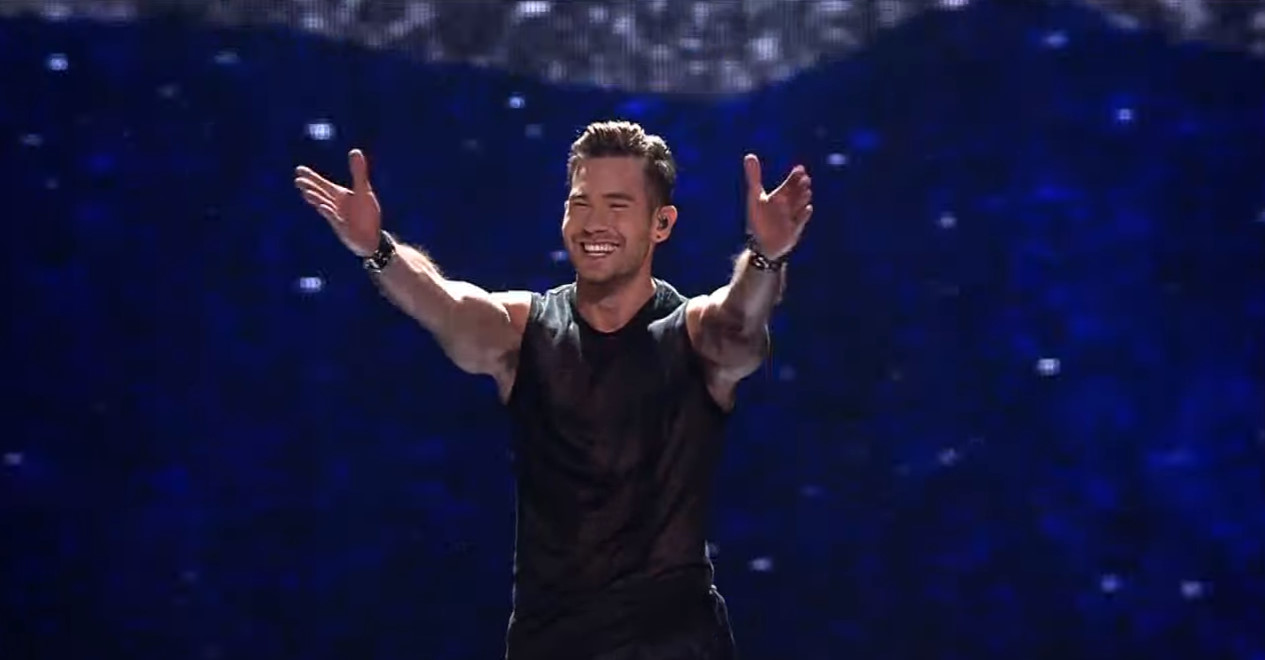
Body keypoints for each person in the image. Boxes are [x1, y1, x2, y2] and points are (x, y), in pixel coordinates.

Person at [293, 121, 813, 660]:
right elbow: (446, 307)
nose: (594, 223)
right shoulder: (527, 330)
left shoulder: (694, 332)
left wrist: (765, 257)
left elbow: (739, 326)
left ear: (661, 223)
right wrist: (377, 249)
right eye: (580, 203)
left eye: (616, 205)